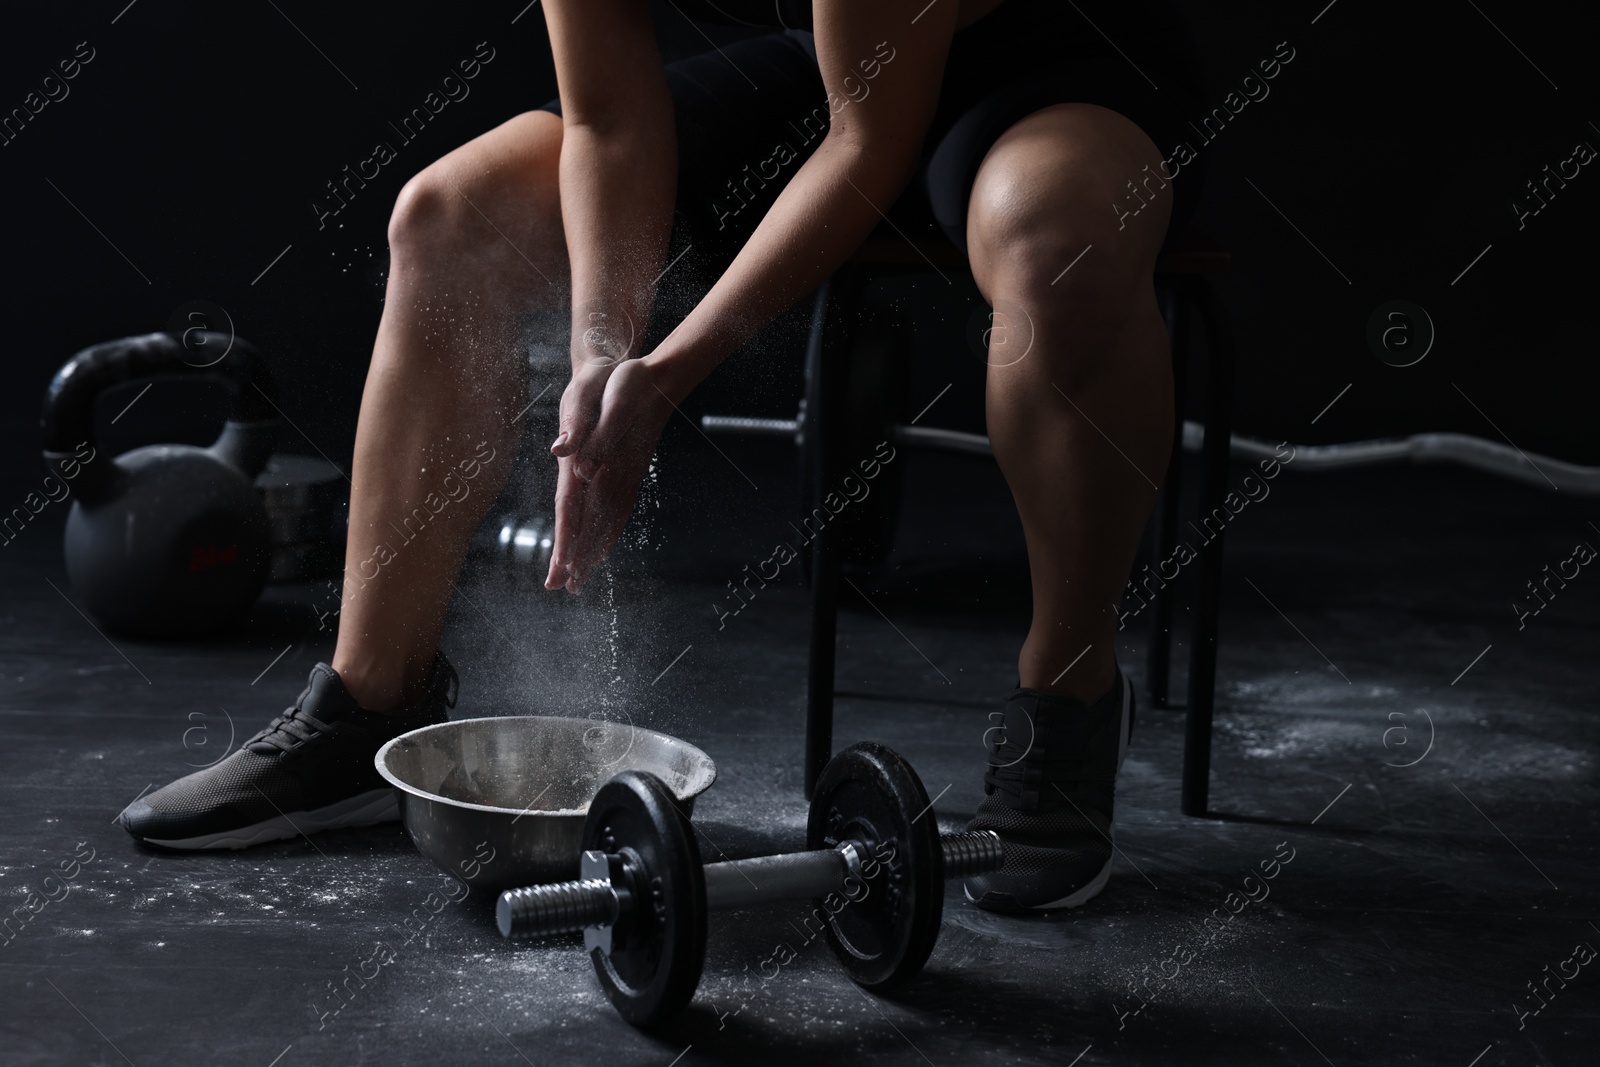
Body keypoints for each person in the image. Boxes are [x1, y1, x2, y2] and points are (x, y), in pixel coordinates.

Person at [120, 0, 1211, 913]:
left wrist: (667, 373)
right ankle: (366, 706)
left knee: (1055, 239)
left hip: (1047, 64)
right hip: (838, 72)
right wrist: (604, 353)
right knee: (450, 215)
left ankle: (1067, 695)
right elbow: (609, 117)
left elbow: (871, 145)